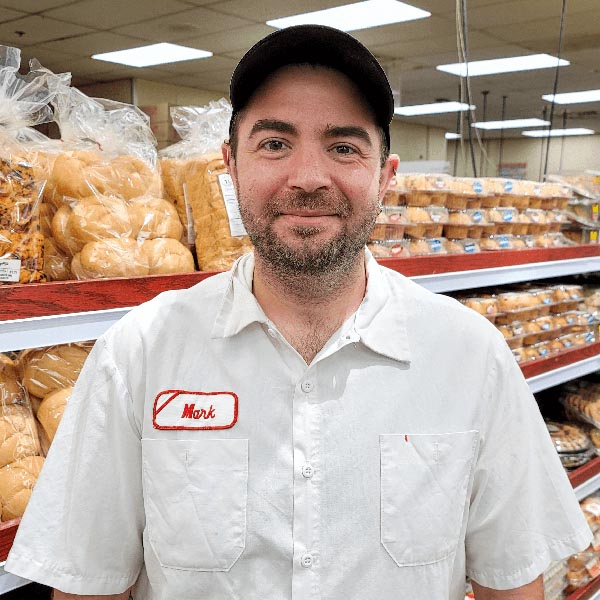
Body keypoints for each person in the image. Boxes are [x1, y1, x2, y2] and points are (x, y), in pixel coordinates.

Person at [5, 25, 592, 600]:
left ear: (385, 178)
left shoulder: (470, 355)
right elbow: (90, 585)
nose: (308, 178)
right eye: (275, 143)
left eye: (343, 146)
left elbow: (510, 582)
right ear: (230, 168)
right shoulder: (139, 353)